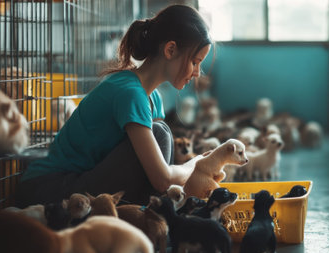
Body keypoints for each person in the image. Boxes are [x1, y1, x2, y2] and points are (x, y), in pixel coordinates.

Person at [15, 4, 212, 207]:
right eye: (195, 62)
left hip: (81, 181)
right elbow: (162, 180)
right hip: (48, 188)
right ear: (170, 50)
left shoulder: (153, 98)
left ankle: (145, 216)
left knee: (161, 132)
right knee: (160, 133)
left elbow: (158, 171)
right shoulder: (130, 93)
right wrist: (196, 164)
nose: (197, 72)